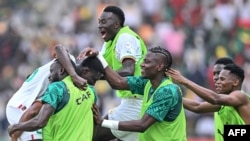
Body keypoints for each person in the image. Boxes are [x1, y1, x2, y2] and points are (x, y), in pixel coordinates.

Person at [83, 46, 187, 141]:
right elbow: (118, 82)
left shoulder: (167, 91)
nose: (142, 64)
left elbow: (142, 125)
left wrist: (103, 122)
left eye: (147, 62)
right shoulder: (147, 83)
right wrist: (99, 57)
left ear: (159, 67)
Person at [78, 5, 147, 141]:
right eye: (99, 22)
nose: (99, 26)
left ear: (116, 24)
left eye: (104, 22)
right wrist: (77, 68)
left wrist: (92, 75)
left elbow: (128, 71)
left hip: (138, 101)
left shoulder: (125, 37)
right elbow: (98, 70)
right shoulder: (109, 43)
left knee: (91, 134)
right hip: (129, 101)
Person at [8, 54, 104, 141]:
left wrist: (16, 127)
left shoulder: (57, 88)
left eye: (51, 72)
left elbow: (40, 121)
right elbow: (94, 125)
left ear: (62, 70)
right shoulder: (91, 91)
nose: (49, 77)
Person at [167, 63, 250, 141]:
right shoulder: (224, 103)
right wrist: (171, 97)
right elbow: (197, 106)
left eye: (222, 79)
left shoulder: (240, 96)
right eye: (217, 79)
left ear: (235, 82)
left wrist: (184, 81)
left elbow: (214, 98)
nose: (217, 82)